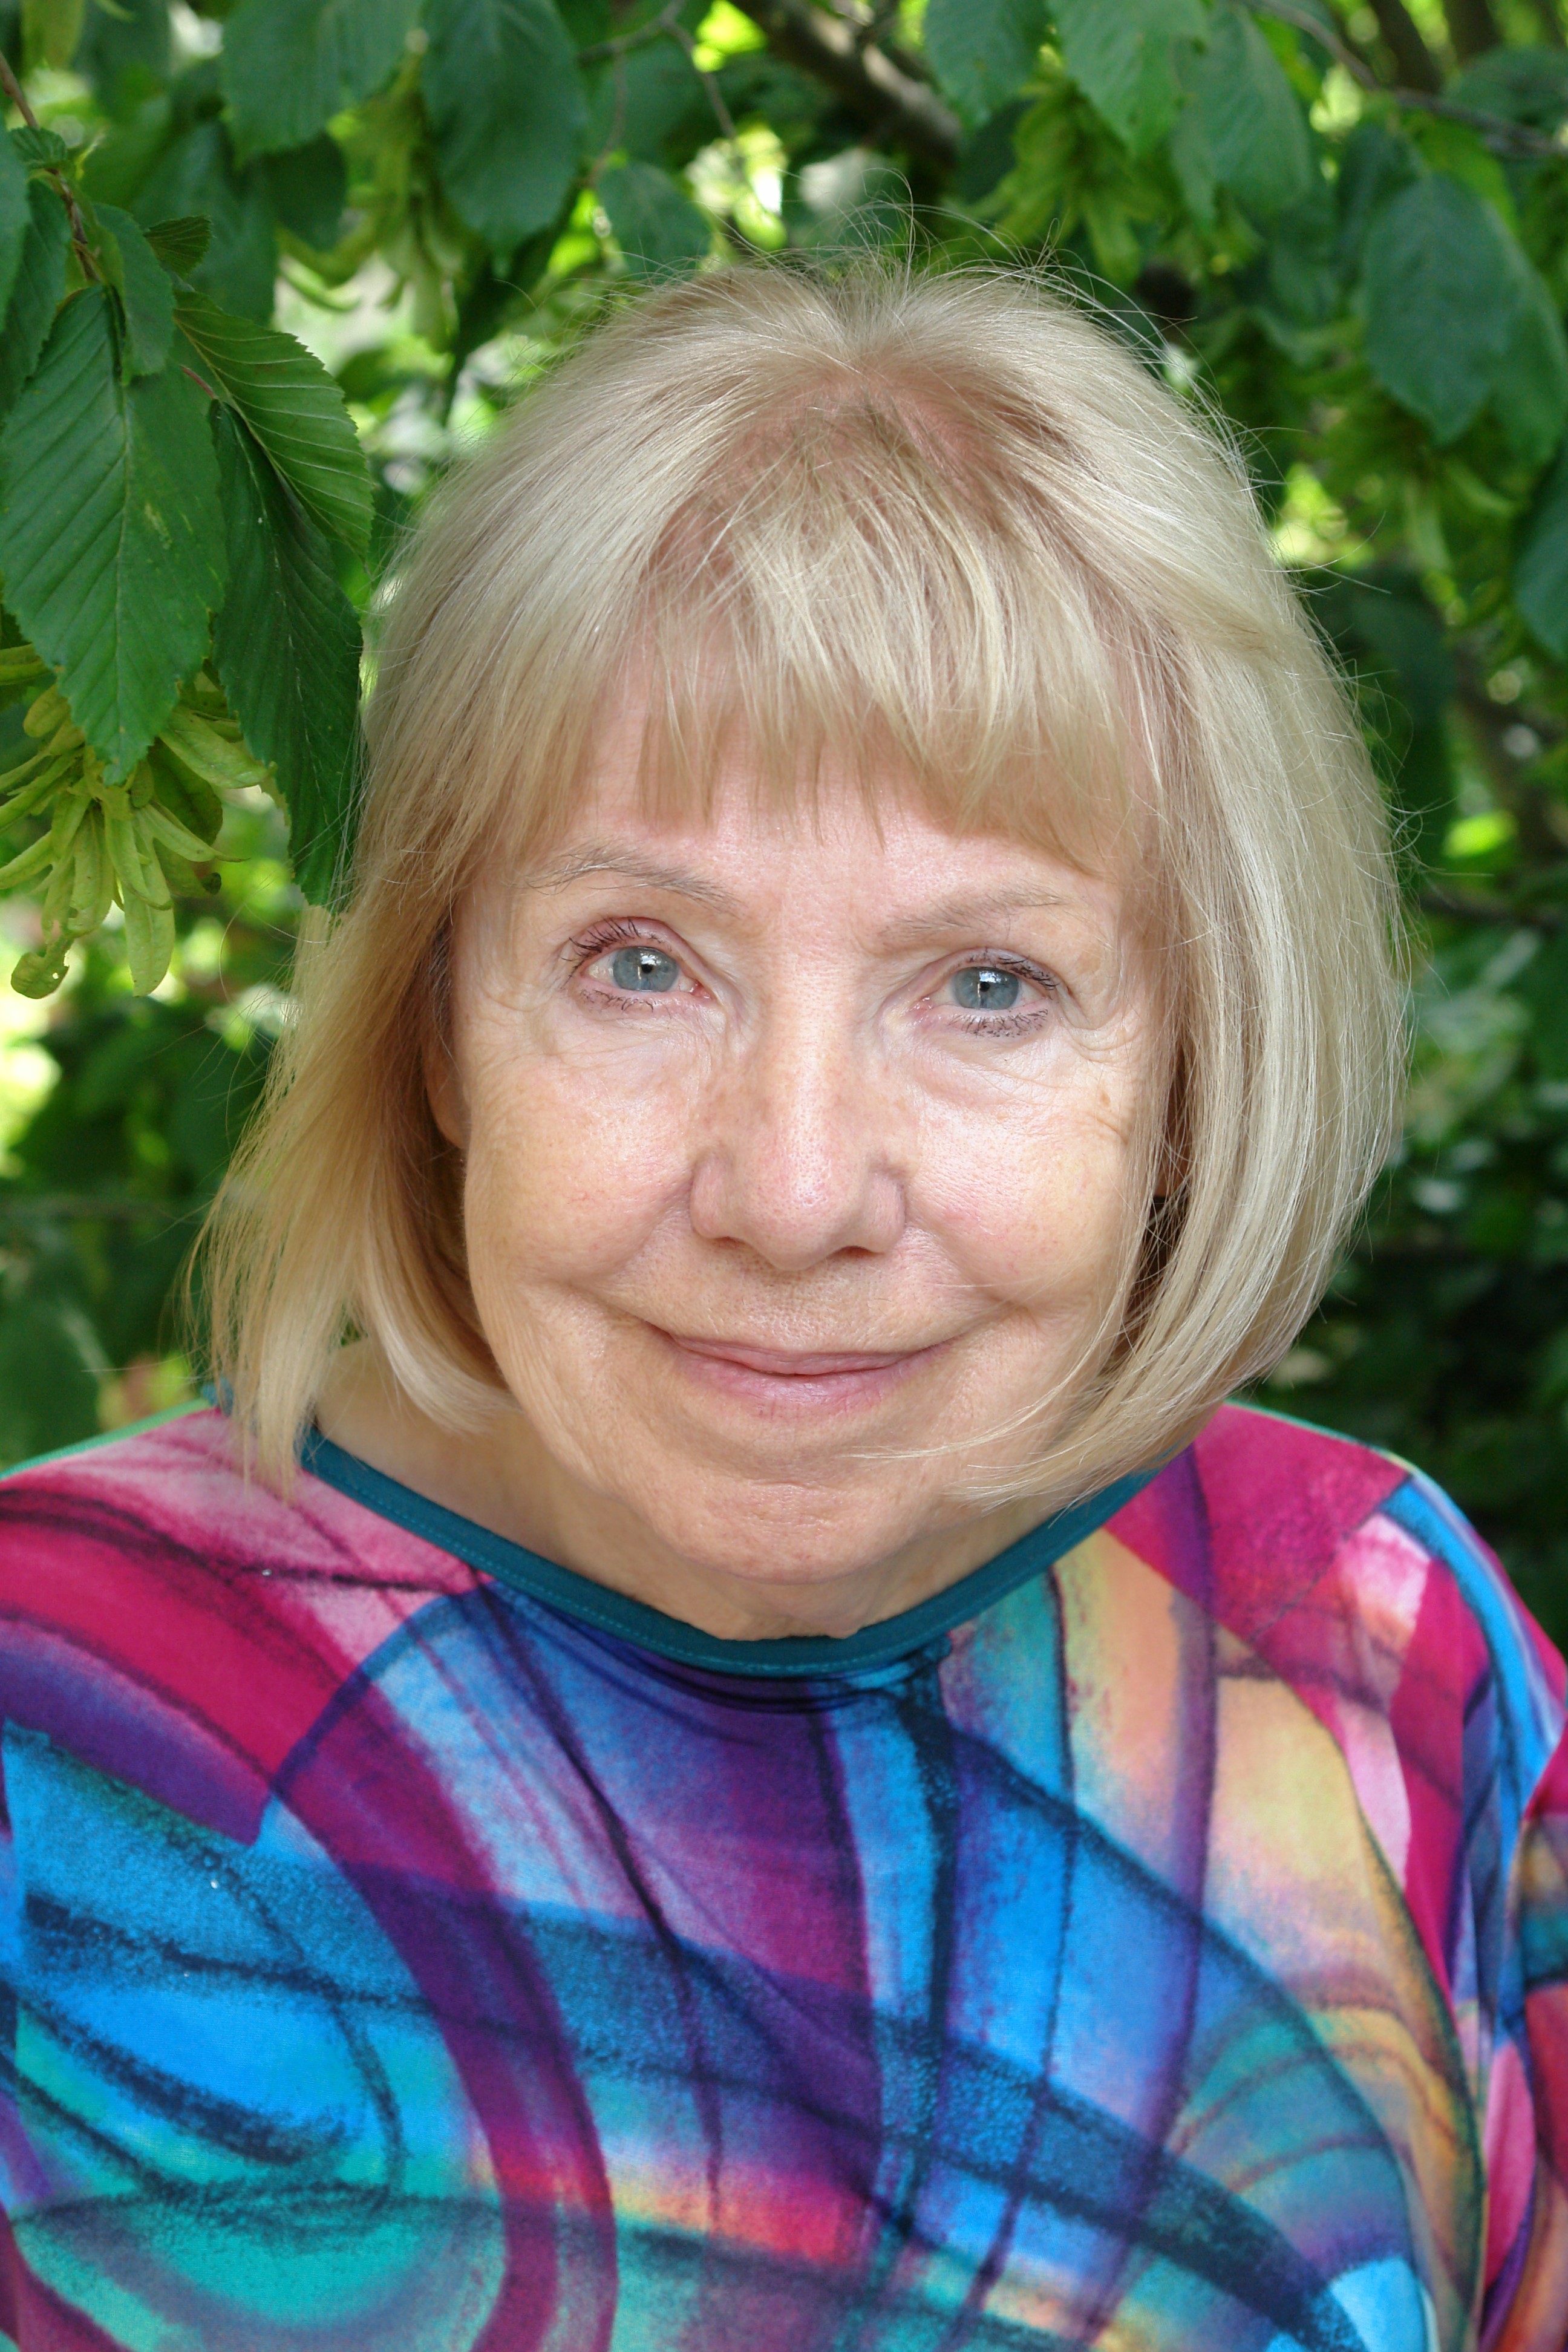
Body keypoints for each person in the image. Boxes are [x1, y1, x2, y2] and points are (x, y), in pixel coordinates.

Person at [0, 263, 1563, 2352]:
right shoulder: (47, 1722)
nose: (797, 1191)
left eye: (989, 985)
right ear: (437, 1026)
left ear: (1192, 1072)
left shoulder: (1375, 1643)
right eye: (641, 964)